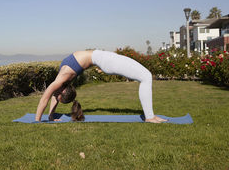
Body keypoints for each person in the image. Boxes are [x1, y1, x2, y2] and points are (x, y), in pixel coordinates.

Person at [35, 50, 167, 123]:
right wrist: (51, 117)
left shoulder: (62, 78)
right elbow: (53, 97)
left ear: (61, 92)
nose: (56, 98)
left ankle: (150, 117)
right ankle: (150, 117)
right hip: (105, 59)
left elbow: (44, 99)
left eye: (59, 99)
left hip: (106, 60)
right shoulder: (61, 80)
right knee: (146, 76)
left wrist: (37, 121)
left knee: (146, 76)